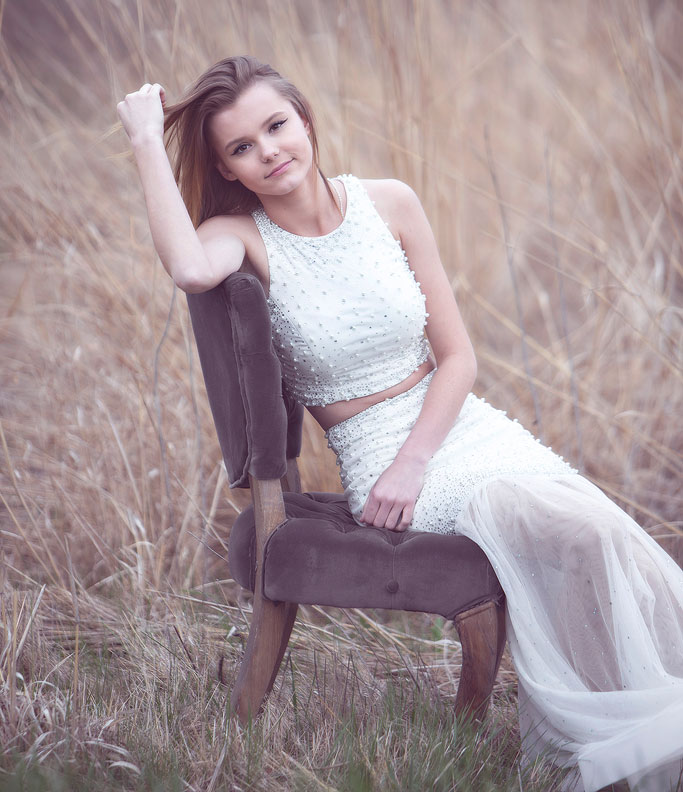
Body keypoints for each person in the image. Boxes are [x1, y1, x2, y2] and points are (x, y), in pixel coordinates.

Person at [117, 56, 683, 792]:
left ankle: (640, 728)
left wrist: (417, 459)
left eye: (277, 126)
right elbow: (191, 271)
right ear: (227, 167)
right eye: (243, 147)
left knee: (602, 530)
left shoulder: (390, 203)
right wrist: (144, 138)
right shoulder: (240, 233)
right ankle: (620, 740)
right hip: (377, 452)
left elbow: (458, 358)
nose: (270, 152)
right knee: (578, 533)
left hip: (460, 429)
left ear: (305, 119)